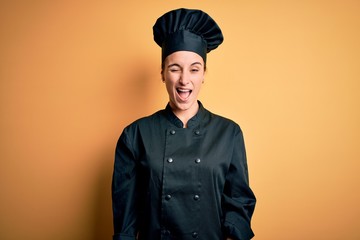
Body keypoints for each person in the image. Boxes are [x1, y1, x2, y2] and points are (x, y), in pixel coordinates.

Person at [112, 8, 256, 240]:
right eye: (174, 68)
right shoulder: (135, 134)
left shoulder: (229, 133)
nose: (184, 80)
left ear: (204, 74)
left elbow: (239, 201)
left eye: (194, 69)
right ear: (162, 74)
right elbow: (126, 217)